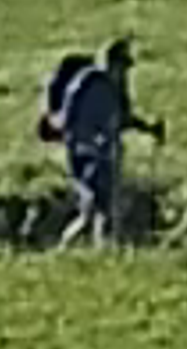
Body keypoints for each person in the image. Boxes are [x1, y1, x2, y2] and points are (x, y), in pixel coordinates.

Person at [35, 31, 153, 241]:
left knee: (101, 211)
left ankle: (100, 250)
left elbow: (121, 120)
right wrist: (91, 147)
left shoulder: (113, 90)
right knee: (98, 209)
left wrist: (148, 128)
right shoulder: (86, 85)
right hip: (87, 156)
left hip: (105, 155)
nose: (123, 72)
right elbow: (71, 124)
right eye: (121, 66)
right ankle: (75, 248)